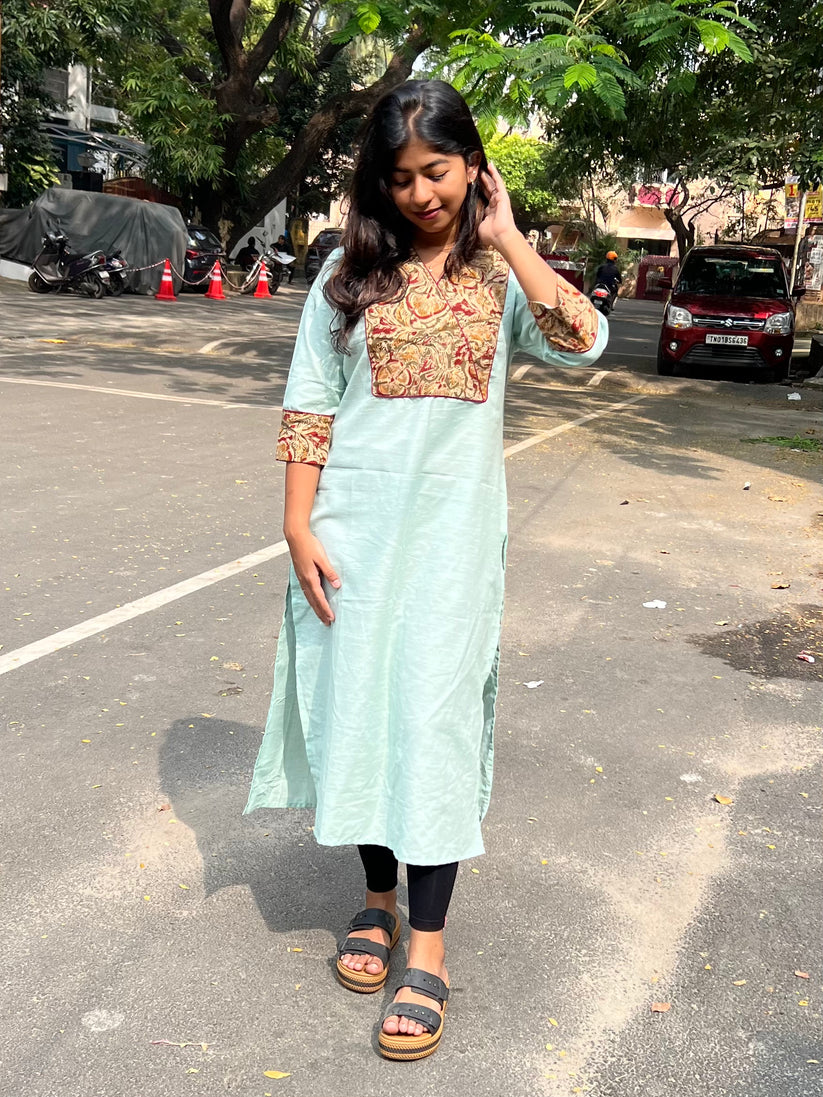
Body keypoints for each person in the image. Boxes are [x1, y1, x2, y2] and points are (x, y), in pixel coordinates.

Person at [244, 79, 607, 1062]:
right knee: (363, 713)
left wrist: (510, 239)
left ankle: (430, 945)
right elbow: (309, 403)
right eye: (400, 177)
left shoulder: (499, 280)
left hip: (451, 548)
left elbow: (585, 342)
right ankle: (376, 899)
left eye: (437, 171)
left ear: (472, 168)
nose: (420, 194)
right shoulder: (345, 279)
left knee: (431, 725)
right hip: (353, 540)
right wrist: (295, 523)